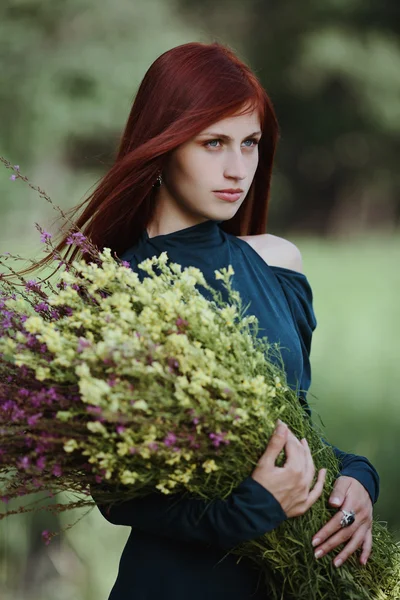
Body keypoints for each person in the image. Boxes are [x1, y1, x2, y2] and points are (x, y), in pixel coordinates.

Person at [37, 41, 379, 599]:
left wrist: (358, 477)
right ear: (164, 145)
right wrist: (252, 510)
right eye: (213, 143)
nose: (237, 168)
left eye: (250, 144)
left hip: (289, 579)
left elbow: (296, 425)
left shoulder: (277, 262)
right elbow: (117, 495)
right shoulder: (118, 291)